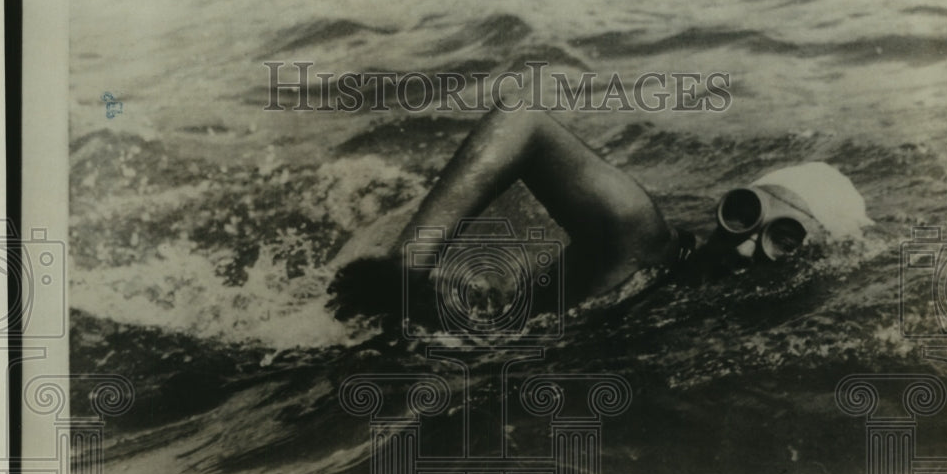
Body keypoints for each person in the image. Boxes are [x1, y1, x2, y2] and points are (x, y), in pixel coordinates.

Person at [328, 107, 872, 320]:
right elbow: (524, 121)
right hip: (406, 328)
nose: (747, 245)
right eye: (744, 214)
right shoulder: (642, 239)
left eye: (785, 242)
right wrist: (408, 270)